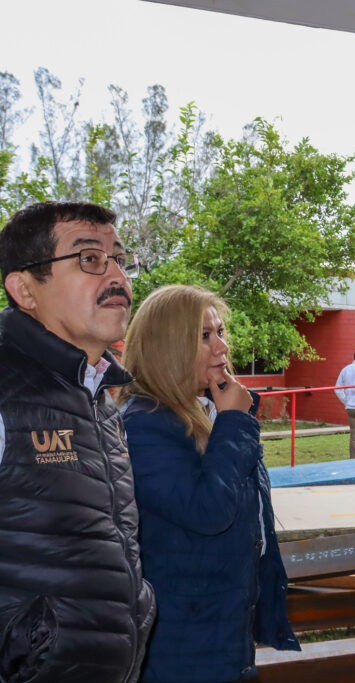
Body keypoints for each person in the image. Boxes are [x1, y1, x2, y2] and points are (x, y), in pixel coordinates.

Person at [0, 201, 155, 683]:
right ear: (25, 289)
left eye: (120, 259)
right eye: (89, 259)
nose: (118, 278)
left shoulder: (98, 397)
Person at [117, 285, 299, 683]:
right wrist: (234, 423)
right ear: (167, 347)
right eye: (204, 336)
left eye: (220, 332)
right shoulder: (144, 423)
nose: (221, 347)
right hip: (180, 646)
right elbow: (209, 510)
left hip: (224, 631)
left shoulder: (208, 412)